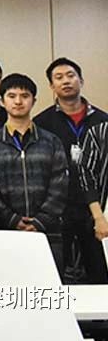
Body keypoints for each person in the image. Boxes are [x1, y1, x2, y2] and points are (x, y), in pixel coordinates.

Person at [0, 74, 68, 272]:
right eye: (12, 96)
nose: (18, 101)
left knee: (48, 288)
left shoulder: (51, 142)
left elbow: (60, 185)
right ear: (2, 101)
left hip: (47, 232)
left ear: (34, 101)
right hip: (4, 232)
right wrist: (11, 219)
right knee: (6, 286)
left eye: (25, 96)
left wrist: (40, 220)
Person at [34, 58, 108, 284]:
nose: (65, 81)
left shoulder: (102, 121)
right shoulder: (42, 123)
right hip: (58, 208)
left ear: (81, 81)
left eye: (70, 75)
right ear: (51, 86)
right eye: (59, 78)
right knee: (55, 273)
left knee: (99, 271)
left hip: (96, 208)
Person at [79, 121, 108, 283]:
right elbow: (86, 175)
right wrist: (98, 217)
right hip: (103, 220)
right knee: (100, 281)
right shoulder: (99, 133)